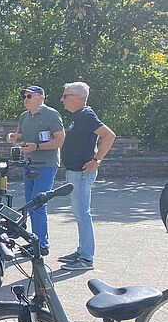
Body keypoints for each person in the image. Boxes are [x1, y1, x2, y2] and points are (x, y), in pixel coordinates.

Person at [58, 82, 116, 272]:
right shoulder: (77, 116)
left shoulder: (86, 115)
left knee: (83, 214)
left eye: (65, 96)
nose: (62, 99)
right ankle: (82, 251)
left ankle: (86, 258)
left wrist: (97, 160)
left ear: (77, 97)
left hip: (82, 173)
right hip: (75, 171)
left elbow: (109, 136)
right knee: (79, 213)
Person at [6, 86, 65, 255]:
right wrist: (14, 137)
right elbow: (21, 135)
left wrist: (37, 146)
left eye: (29, 96)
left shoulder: (51, 114)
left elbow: (60, 140)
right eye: (24, 96)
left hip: (45, 165)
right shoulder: (24, 116)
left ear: (41, 97)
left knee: (38, 204)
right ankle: (35, 242)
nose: (25, 99)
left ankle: (42, 245)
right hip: (28, 165)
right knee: (31, 204)